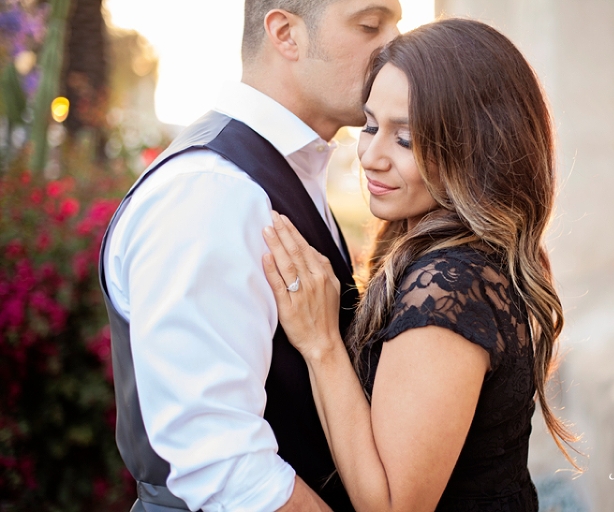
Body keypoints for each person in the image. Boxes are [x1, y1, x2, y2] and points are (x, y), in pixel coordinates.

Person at [261, 18, 581, 511]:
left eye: (405, 139)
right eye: (369, 126)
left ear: (478, 148)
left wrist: (321, 343)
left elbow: (392, 506)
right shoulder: (441, 255)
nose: (370, 156)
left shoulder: (451, 284)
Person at [98, 1, 401, 511]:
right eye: (370, 25)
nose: (394, 44)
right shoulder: (212, 191)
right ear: (286, 34)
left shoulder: (271, 172)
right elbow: (221, 461)